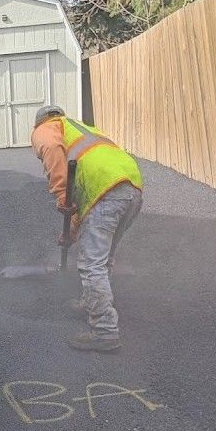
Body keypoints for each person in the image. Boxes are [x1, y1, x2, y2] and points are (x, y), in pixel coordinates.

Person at [31, 105, 142, 352]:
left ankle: (104, 330)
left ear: (38, 124)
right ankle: (91, 302)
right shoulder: (82, 129)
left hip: (106, 190)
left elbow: (49, 149)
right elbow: (86, 204)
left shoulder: (46, 129)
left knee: (92, 264)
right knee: (103, 258)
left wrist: (61, 195)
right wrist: (71, 231)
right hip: (130, 187)